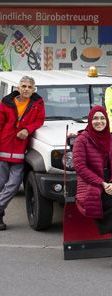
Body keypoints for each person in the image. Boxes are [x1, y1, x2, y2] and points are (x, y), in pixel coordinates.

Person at [73, 106, 112, 271]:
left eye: (102, 118)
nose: (99, 122)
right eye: (95, 118)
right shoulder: (82, 140)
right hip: (92, 183)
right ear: (90, 120)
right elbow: (80, 167)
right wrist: (102, 183)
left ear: (106, 120)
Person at [0, 76, 45, 231]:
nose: (26, 89)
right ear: (18, 88)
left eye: (29, 87)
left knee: (13, 185)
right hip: (3, 146)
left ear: (34, 89)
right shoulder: (6, 102)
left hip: (19, 149)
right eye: (23, 86)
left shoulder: (38, 104)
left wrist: (27, 129)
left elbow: (39, 120)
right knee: (0, 183)